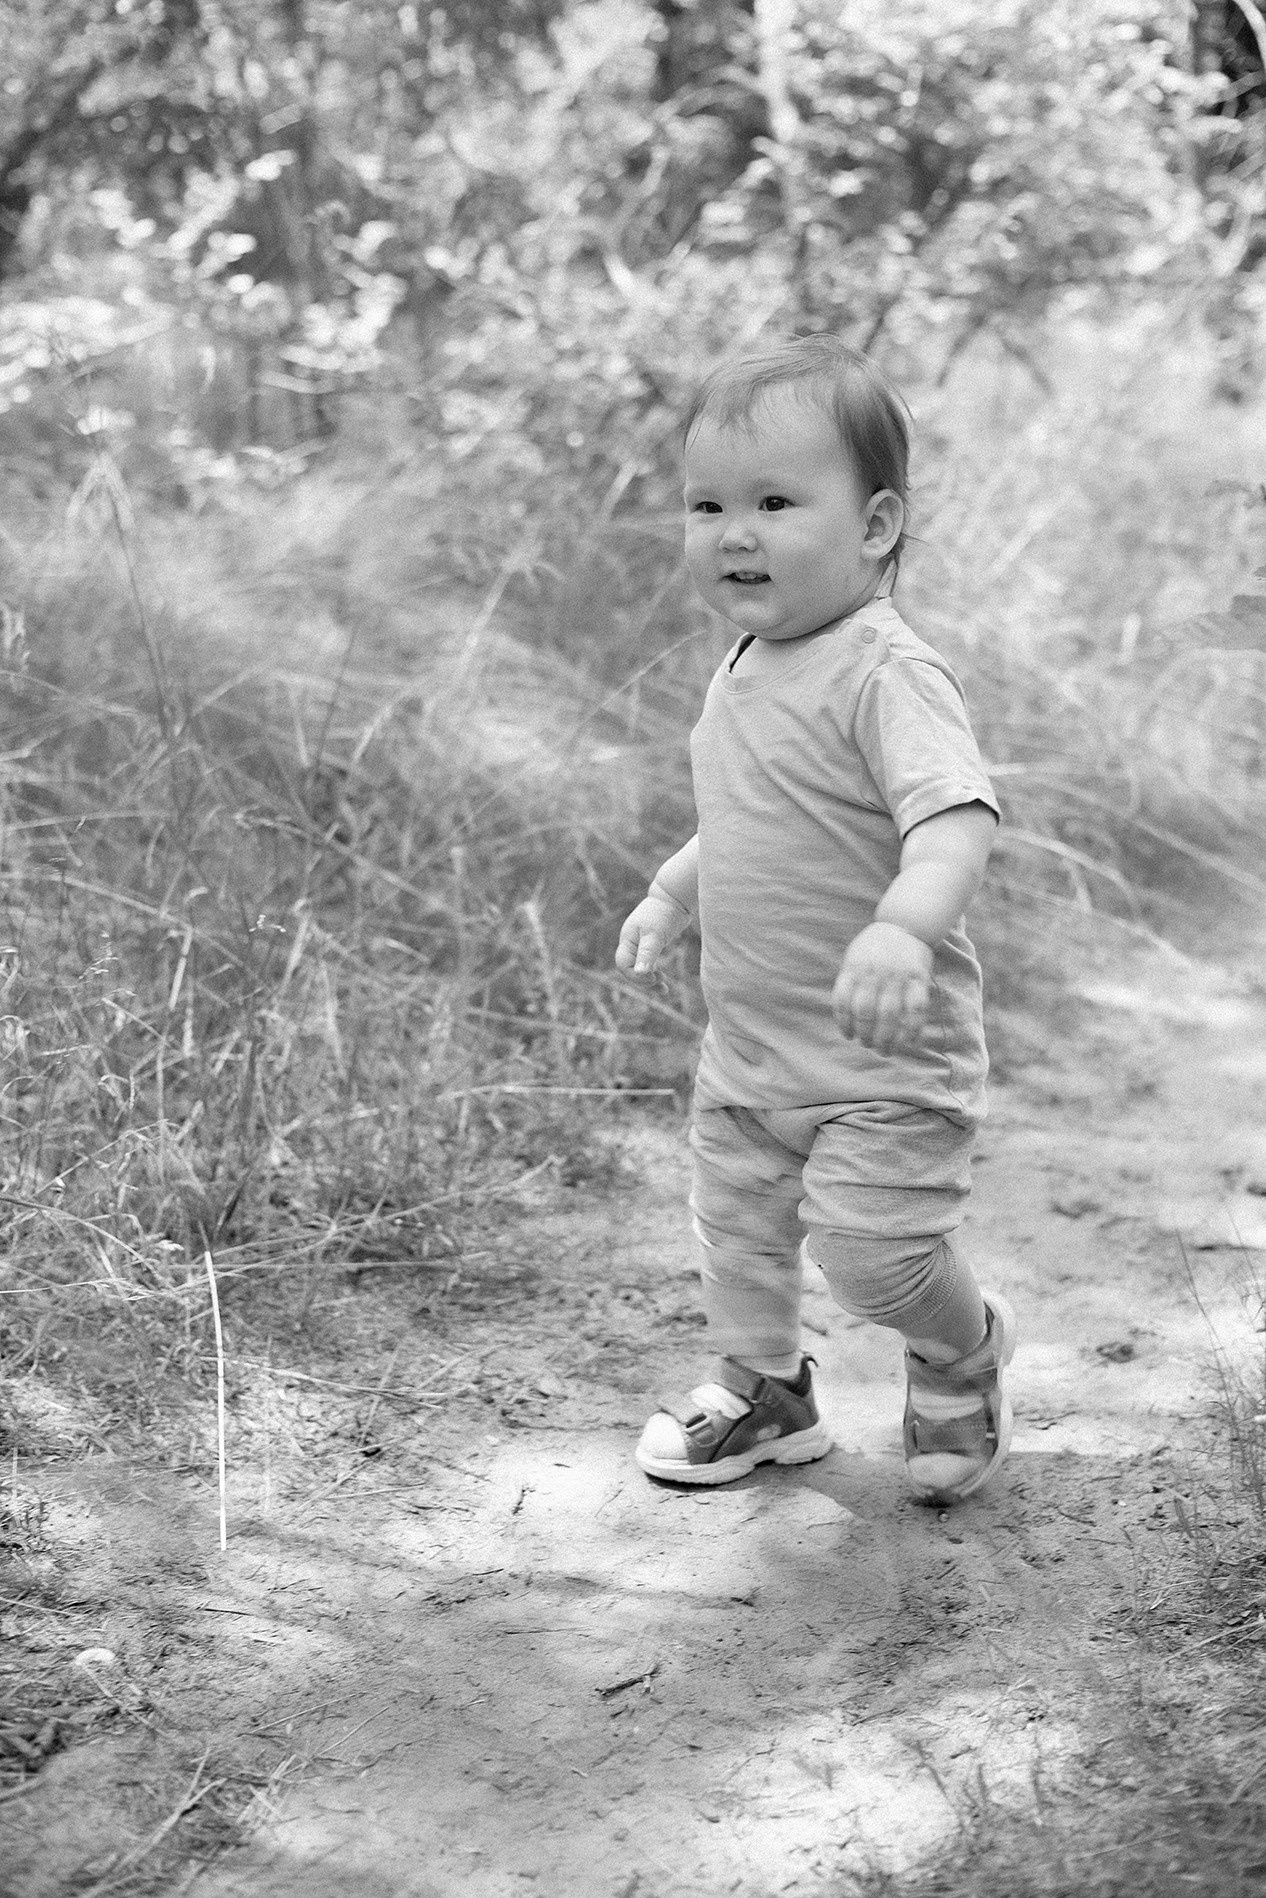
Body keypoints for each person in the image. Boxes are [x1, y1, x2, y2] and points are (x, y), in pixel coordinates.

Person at [615, 335, 1015, 1507]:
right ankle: (766, 1389)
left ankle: (961, 1343)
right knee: (735, 1230)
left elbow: (956, 821)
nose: (735, 531)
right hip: (750, 1049)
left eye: (776, 501)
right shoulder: (744, 664)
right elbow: (745, 819)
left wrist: (901, 927)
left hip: (883, 1056)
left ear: (876, 525)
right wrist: (670, 889)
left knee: (874, 1256)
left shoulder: (885, 669)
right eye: (707, 505)